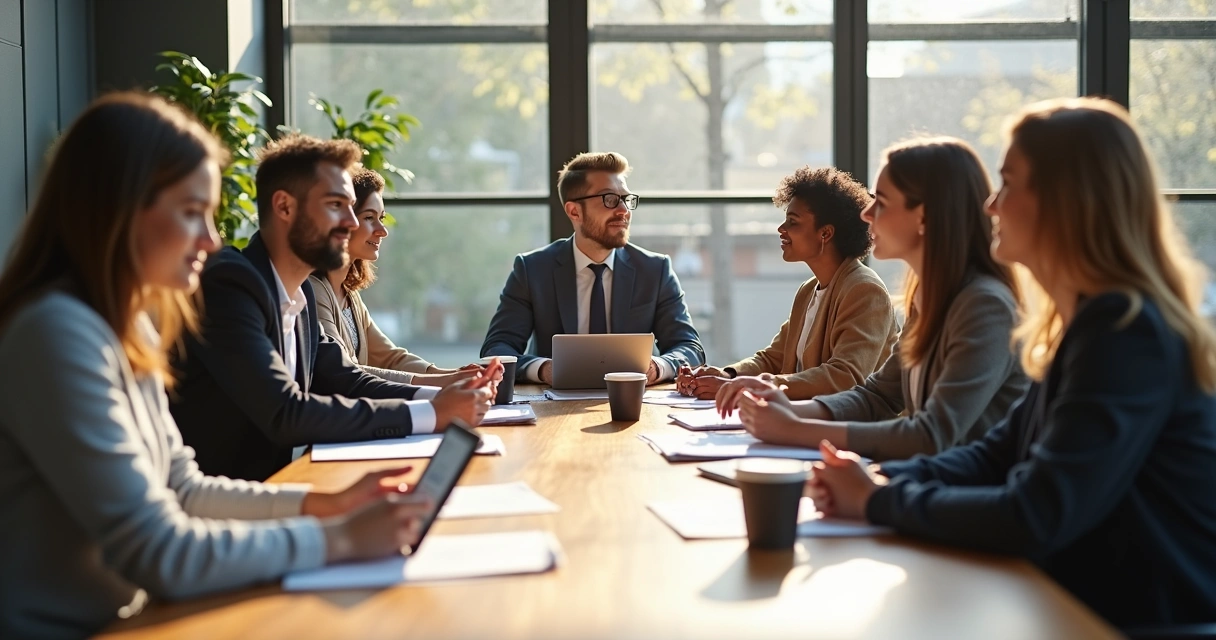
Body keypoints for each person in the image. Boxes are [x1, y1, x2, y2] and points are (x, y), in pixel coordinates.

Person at [0, 93, 436, 638]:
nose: (210, 238)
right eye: (191, 212)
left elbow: (183, 489)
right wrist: (339, 539)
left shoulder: (126, 327)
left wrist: (327, 504)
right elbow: (158, 548)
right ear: (119, 207)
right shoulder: (56, 333)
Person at [805, 97, 1216, 628]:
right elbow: (992, 456)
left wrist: (880, 501)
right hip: (1077, 605)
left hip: (1134, 624)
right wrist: (875, 477)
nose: (992, 205)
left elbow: (1036, 512)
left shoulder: (1126, 335)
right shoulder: (1091, 325)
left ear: (1067, 202)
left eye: (1009, 183)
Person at [171, 134, 500, 481]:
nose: (354, 222)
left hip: (281, 488)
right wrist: (432, 413)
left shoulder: (302, 294)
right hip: (220, 510)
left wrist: (445, 396)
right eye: (335, 205)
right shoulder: (230, 284)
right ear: (284, 207)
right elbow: (285, 411)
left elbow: (346, 379)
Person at [722, 137, 1027, 462]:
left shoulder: (985, 306)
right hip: (925, 487)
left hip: (965, 500)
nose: (867, 214)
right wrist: (788, 405)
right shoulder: (928, 299)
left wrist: (794, 427)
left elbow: (930, 435)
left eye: (880, 201)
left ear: (923, 217)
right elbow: (878, 396)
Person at [481, 151, 704, 385]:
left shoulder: (655, 270)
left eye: (626, 199)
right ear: (574, 211)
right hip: (553, 408)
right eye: (609, 199)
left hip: (635, 402)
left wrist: (657, 367)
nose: (624, 211)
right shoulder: (532, 270)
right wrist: (544, 369)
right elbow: (497, 349)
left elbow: (689, 347)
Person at [676, 166, 897, 401]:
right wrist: (728, 374)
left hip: (850, 432)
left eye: (793, 221)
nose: (782, 229)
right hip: (805, 421)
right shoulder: (809, 290)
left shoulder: (864, 290)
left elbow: (844, 377)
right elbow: (774, 359)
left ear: (826, 233)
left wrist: (749, 387)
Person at [309, 168, 482, 386]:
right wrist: (444, 381)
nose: (383, 230)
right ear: (342, 222)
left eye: (381, 218)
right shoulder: (313, 291)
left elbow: (390, 358)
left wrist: (449, 373)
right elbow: (346, 372)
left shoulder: (350, 295)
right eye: (369, 218)